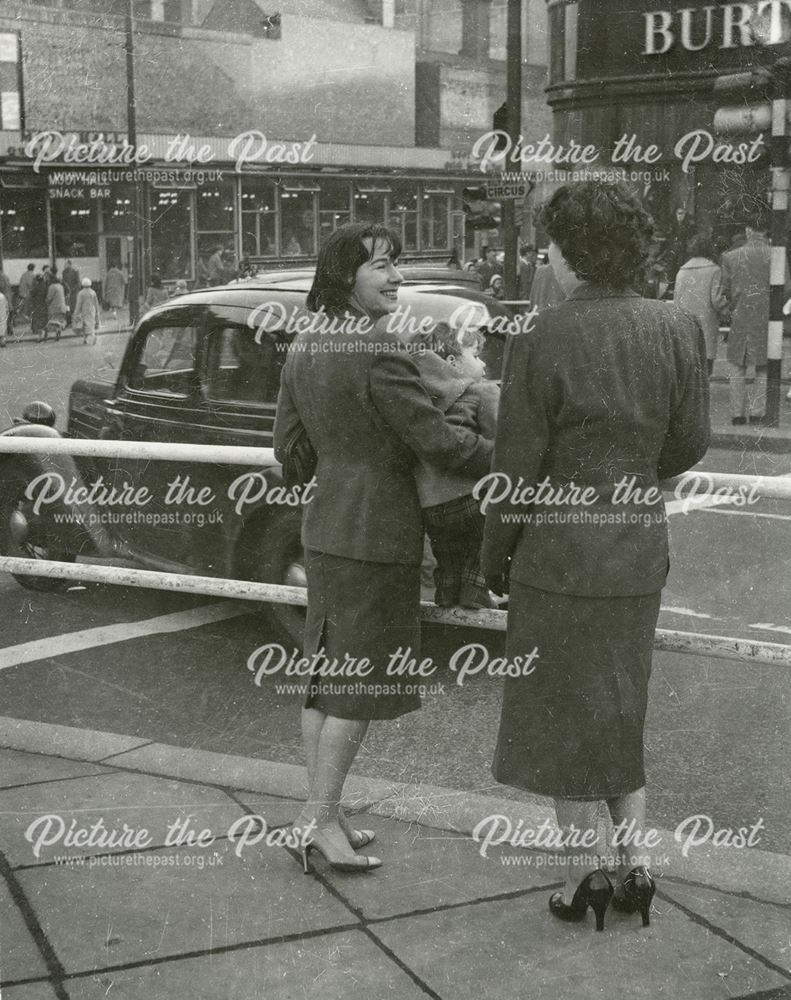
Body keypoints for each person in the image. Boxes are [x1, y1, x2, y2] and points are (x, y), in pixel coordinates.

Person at [482, 181, 710, 932]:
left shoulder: (542, 335)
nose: (544, 256)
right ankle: (635, 869)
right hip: (636, 553)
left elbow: (514, 468)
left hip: (556, 559)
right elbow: (687, 443)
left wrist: (492, 559)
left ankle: (583, 882)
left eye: (550, 243)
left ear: (571, 253)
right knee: (619, 709)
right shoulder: (676, 327)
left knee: (558, 721)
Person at [274, 222, 493, 874]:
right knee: (356, 687)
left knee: (323, 678)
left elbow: (289, 457)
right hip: (378, 536)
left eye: (397, 265)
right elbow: (440, 444)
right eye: (381, 267)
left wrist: (343, 444)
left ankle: (321, 814)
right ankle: (318, 822)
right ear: (346, 276)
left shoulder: (303, 344)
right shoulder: (378, 349)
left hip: (325, 530)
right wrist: (514, 455)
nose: (396, 278)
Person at [413, 322, 499, 608]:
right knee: (479, 551)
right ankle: (476, 595)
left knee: (447, 564)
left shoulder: (417, 400)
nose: (484, 363)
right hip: (474, 500)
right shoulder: (481, 392)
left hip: (432, 507)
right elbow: (501, 440)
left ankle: (448, 599)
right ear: (451, 362)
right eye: (476, 355)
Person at [719, 216, 772, 425]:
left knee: (736, 364)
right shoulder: (774, 256)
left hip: (741, 316)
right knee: (763, 367)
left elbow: (725, 291)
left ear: (748, 230)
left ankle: (737, 415)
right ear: (765, 232)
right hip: (765, 317)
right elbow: (785, 288)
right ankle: (758, 413)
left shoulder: (731, 257)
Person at [674, 235, 727, 379]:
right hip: (706, 325)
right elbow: (716, 301)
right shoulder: (714, 270)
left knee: (687, 371)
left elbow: (676, 301)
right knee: (704, 371)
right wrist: (727, 311)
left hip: (685, 325)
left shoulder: (681, 271)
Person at [73, 277, 101, 344]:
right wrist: (97, 311)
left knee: (84, 325)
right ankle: (88, 338)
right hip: (92, 310)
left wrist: (76, 312)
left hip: (84, 311)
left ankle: (89, 338)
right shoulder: (93, 292)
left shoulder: (81, 293)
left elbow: (78, 304)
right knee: (91, 324)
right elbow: (96, 302)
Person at [44, 276, 68, 341]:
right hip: (62, 307)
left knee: (51, 322)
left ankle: (45, 336)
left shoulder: (52, 287)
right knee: (59, 322)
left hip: (54, 307)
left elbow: (49, 298)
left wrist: (46, 302)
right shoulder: (61, 286)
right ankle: (58, 334)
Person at [30, 274, 48, 341]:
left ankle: (40, 337)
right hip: (45, 305)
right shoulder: (46, 286)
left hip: (38, 306)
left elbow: (32, 294)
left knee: (39, 322)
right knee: (45, 320)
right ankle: (45, 335)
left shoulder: (36, 287)